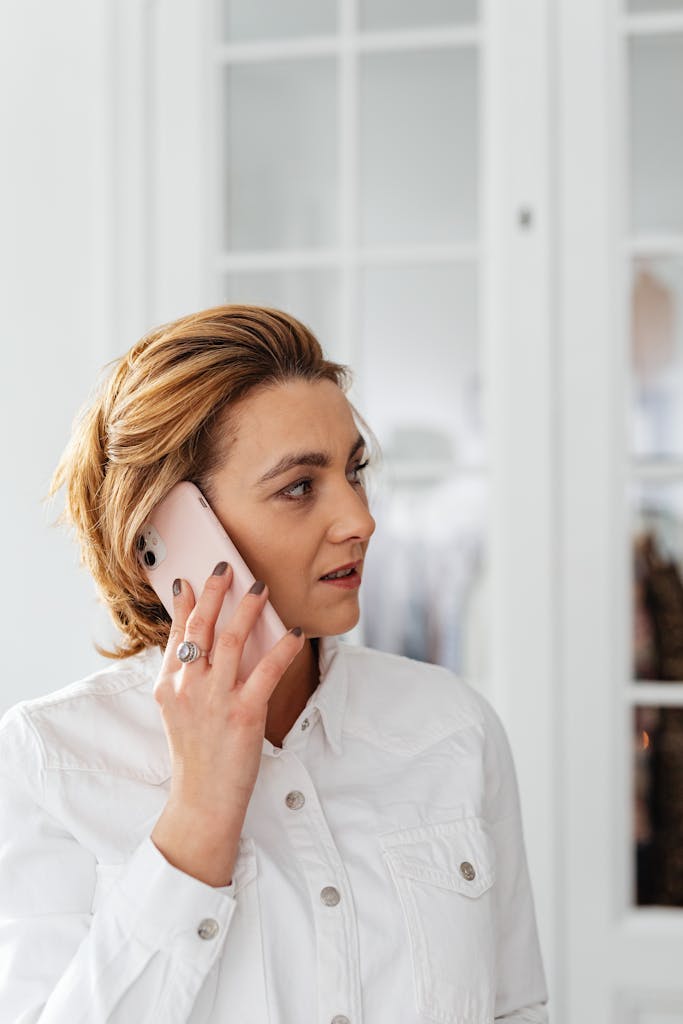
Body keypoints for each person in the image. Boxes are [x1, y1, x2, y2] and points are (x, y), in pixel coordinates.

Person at [0, 305, 549, 1022]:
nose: (360, 519)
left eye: (355, 472)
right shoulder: (52, 761)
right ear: (163, 535)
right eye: (299, 487)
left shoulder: (452, 729)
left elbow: (516, 1009)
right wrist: (197, 817)